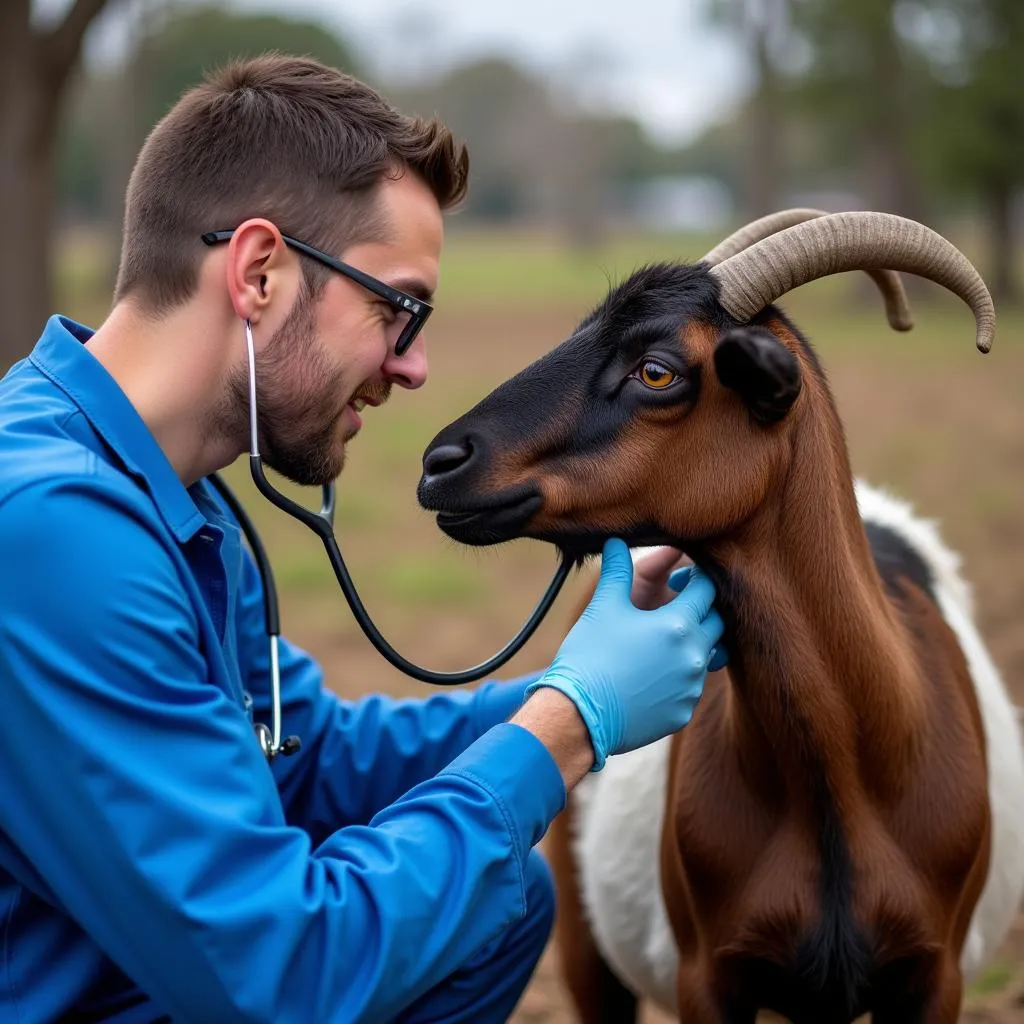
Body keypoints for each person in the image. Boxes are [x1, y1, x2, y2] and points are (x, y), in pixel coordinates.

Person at [0, 54, 726, 1023]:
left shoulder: (177, 496)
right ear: (259, 271)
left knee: (495, 908)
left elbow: (308, 758)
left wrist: (582, 678)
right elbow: (282, 976)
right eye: (398, 307)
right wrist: (572, 723)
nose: (415, 365)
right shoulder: (54, 534)